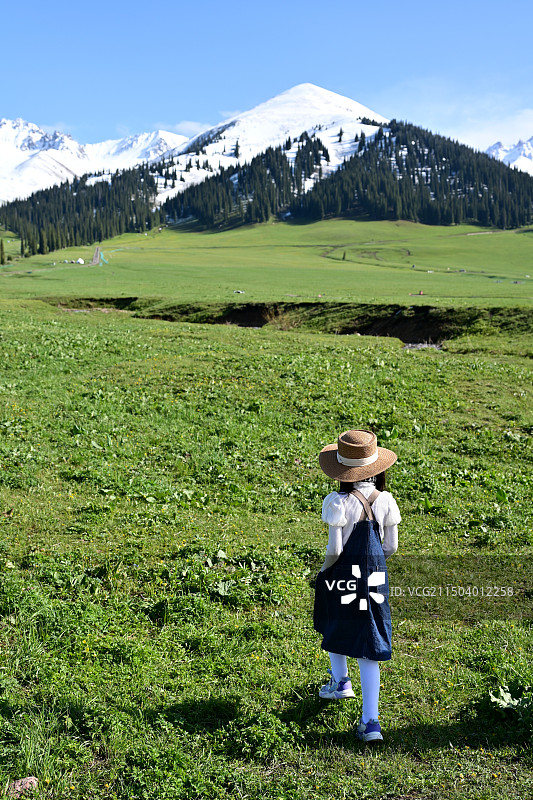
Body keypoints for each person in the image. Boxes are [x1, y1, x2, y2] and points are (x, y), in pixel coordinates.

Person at [313, 429, 400, 742]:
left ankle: (340, 683)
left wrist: (324, 573)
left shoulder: (337, 502)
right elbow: (391, 547)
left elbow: (335, 549)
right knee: (370, 641)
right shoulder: (385, 500)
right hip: (374, 577)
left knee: (337, 623)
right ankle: (370, 722)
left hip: (342, 575)